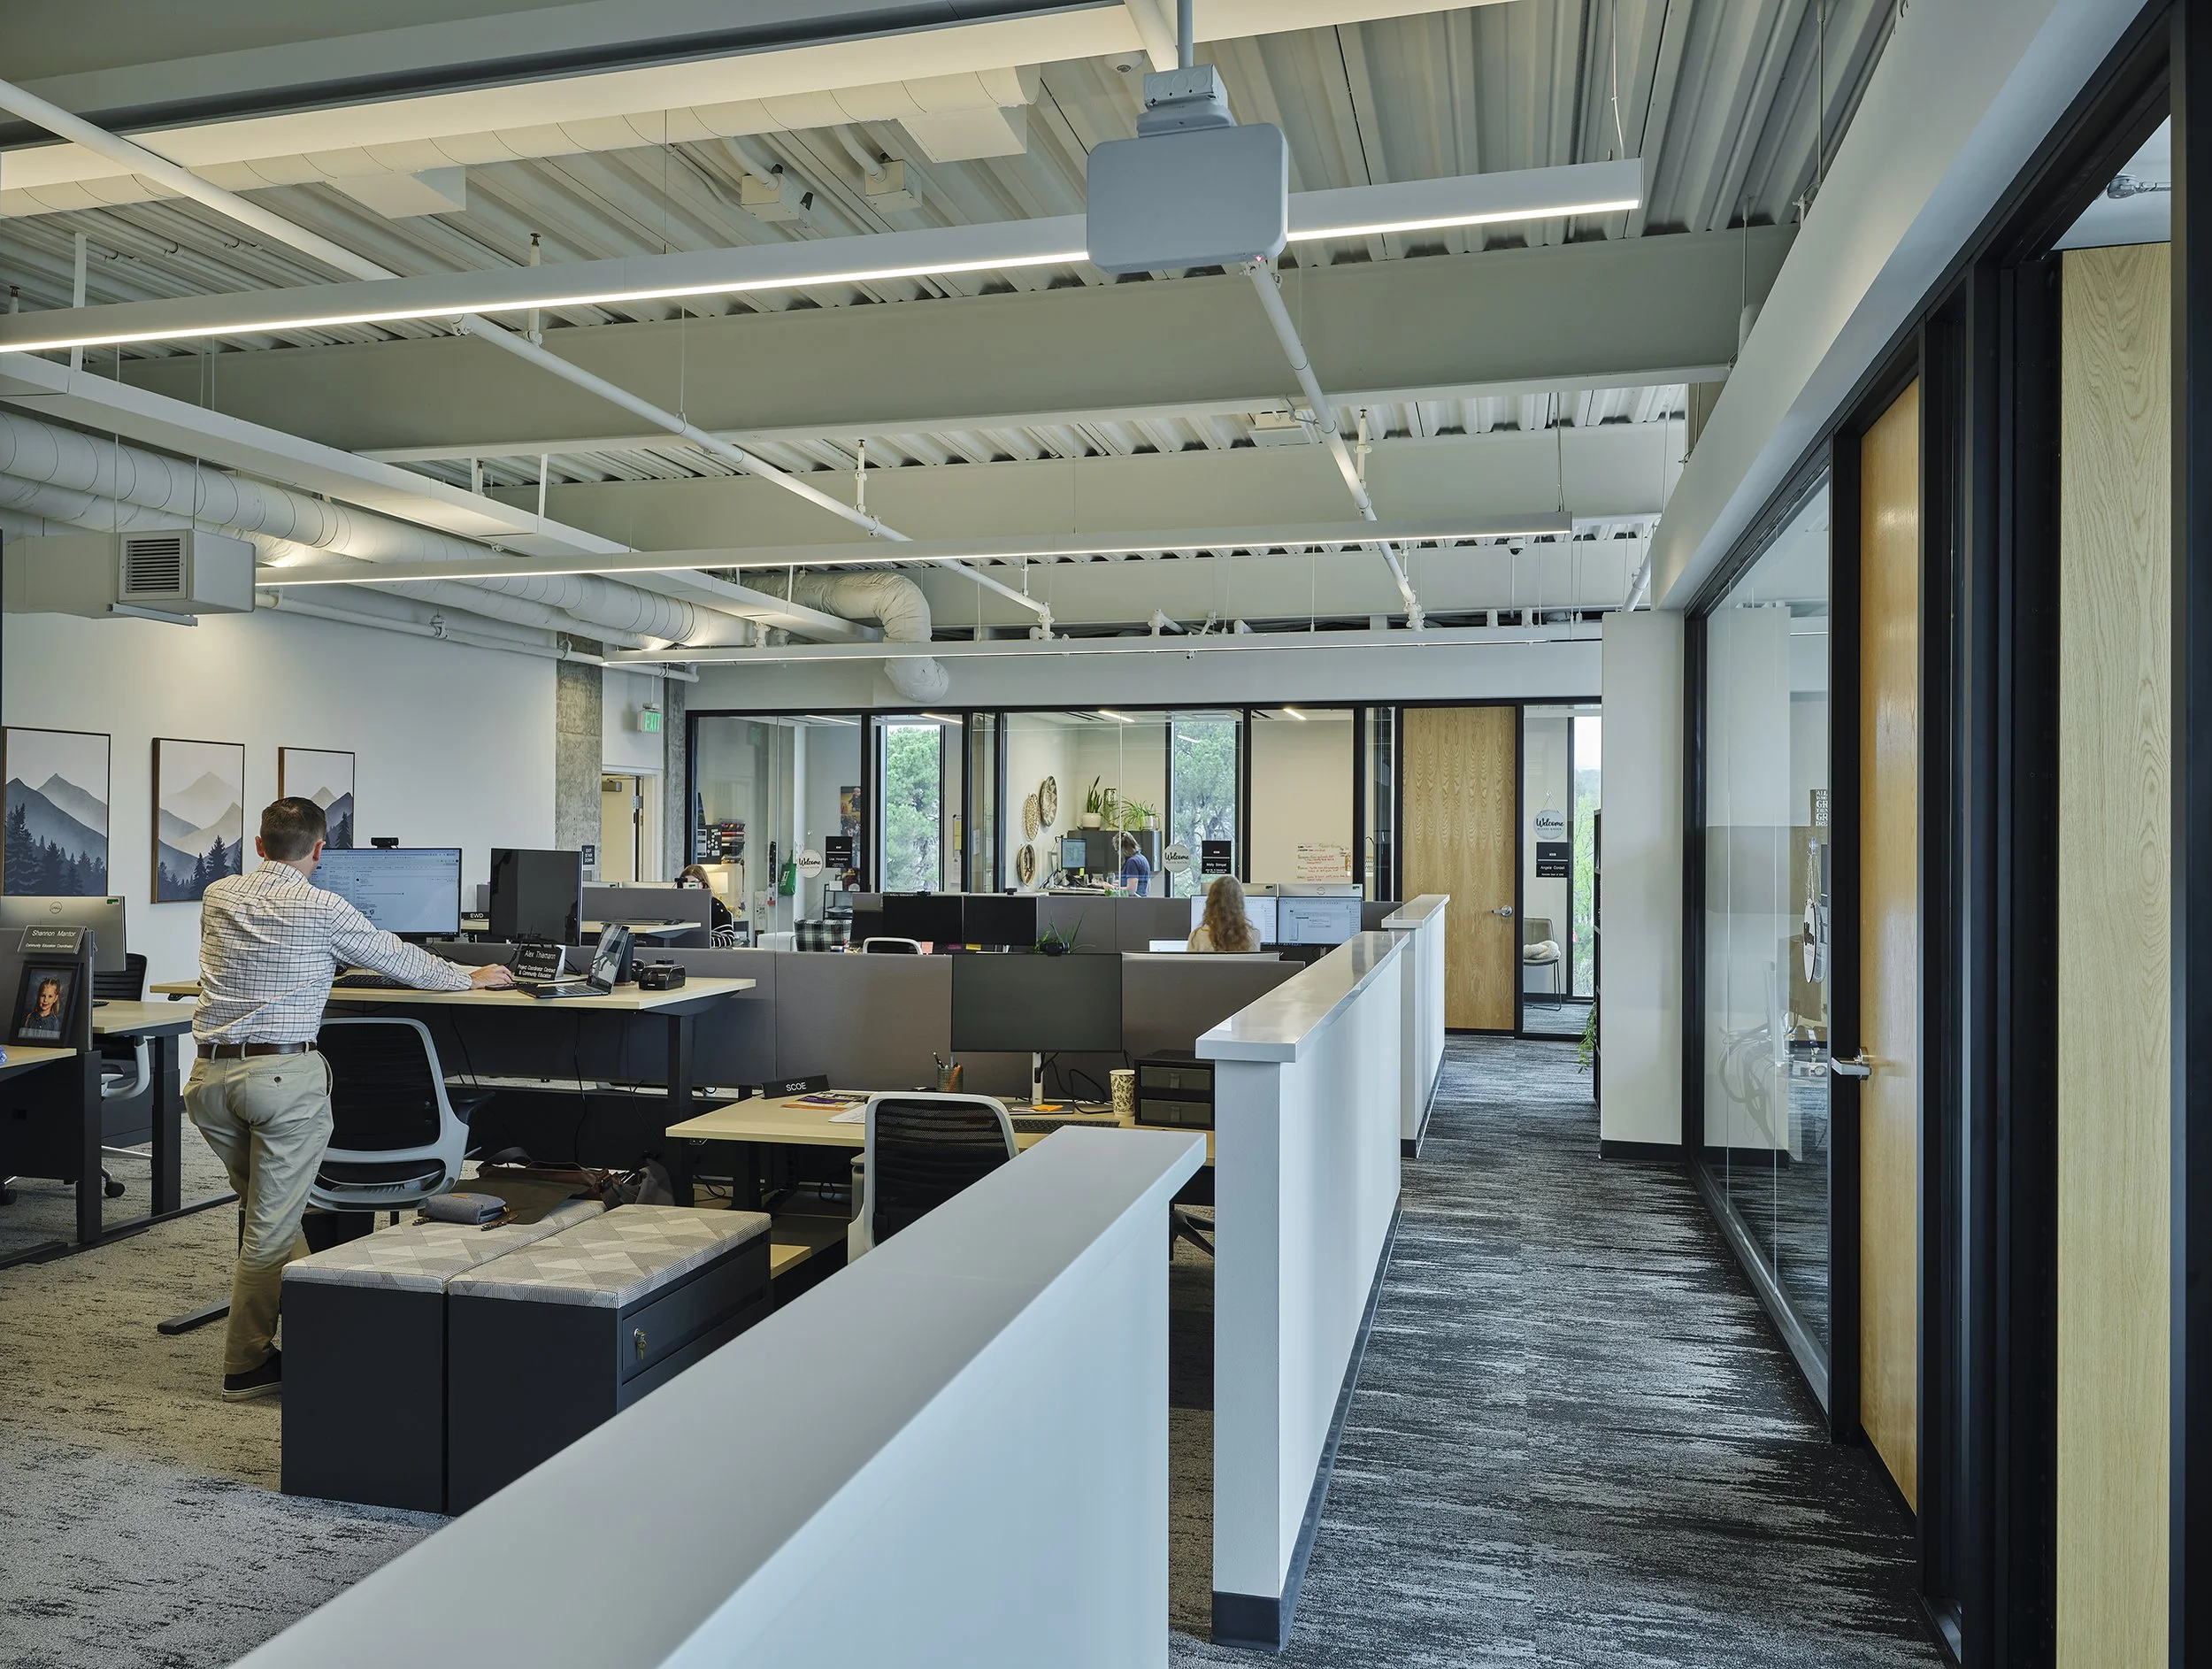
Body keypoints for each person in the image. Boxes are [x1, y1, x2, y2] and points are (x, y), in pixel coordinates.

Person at [188, 796, 513, 1402]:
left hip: (208, 1085)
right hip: (280, 1085)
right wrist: (468, 976)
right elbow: (399, 959)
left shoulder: (219, 895)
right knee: (270, 1227)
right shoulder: (323, 905)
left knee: (271, 1216)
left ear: (258, 846)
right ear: (320, 851)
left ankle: (326, 1329)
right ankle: (247, 1364)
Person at [1187, 874, 1258, 953]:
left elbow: (1190, 965)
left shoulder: (1197, 936)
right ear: (1240, 904)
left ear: (1211, 902)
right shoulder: (1253, 936)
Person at [677, 864, 740, 946]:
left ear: (703, 884)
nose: (688, 888)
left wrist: (702, 943)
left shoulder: (715, 906)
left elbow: (728, 938)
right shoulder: (677, 907)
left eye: (693, 884)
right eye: (685, 884)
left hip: (707, 955)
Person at [18, 976, 66, 1041]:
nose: (45, 1000)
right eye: (43, 996)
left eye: (50, 996)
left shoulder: (54, 1022)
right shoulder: (30, 1018)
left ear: (55, 998)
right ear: (38, 995)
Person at [1117, 832, 1153, 896]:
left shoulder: (1132, 862)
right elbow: (1148, 886)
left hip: (1133, 903)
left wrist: (1113, 889)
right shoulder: (1142, 858)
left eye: (1117, 849)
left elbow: (1131, 890)